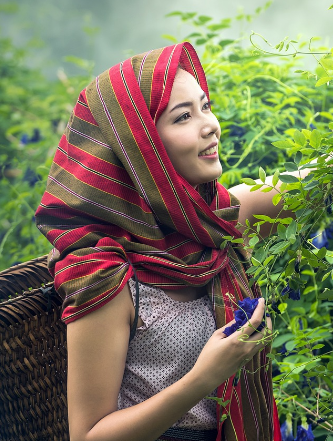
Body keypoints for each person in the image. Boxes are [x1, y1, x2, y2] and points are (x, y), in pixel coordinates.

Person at [35, 42, 281, 441]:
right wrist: (205, 378)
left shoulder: (210, 222)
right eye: (184, 117)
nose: (210, 125)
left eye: (206, 105)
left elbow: (304, 186)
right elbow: (89, 436)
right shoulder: (106, 273)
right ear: (139, 149)